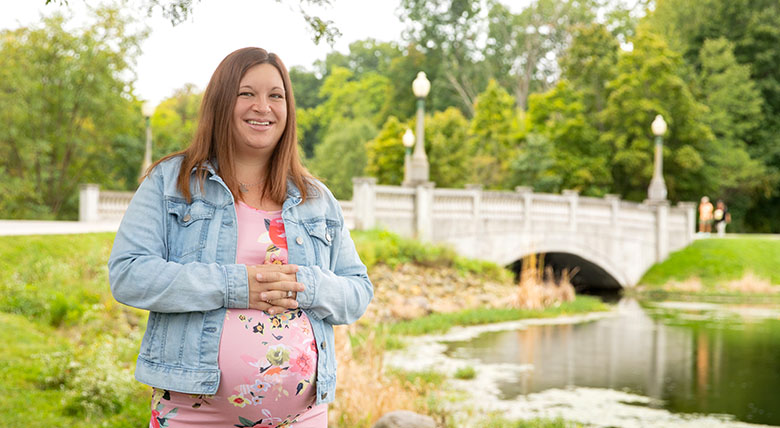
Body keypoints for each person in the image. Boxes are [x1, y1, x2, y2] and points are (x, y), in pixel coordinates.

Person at [108, 47, 373, 428]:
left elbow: (358, 293)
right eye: (246, 93)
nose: (262, 106)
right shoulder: (172, 182)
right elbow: (129, 275)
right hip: (192, 413)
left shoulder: (317, 199)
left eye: (275, 95)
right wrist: (236, 286)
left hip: (303, 417)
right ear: (221, 102)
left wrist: (306, 286)